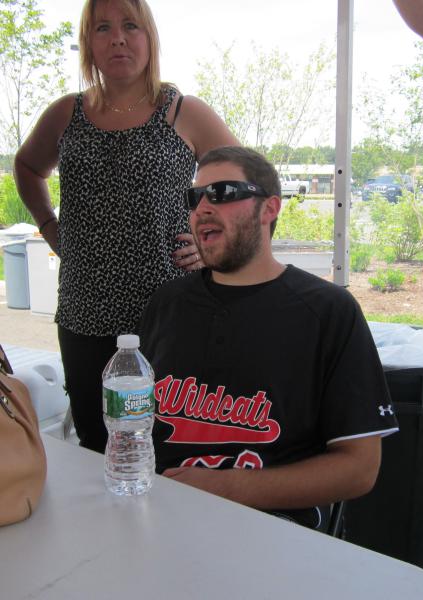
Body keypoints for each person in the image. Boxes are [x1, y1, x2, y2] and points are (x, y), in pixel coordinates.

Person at [13, 0, 238, 453]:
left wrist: (212, 244)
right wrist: (47, 223)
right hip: (85, 312)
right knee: (98, 443)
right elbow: (28, 166)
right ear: (88, 44)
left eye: (130, 25)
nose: (117, 37)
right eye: (103, 28)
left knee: (173, 443)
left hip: (170, 313)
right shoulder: (66, 114)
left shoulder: (183, 112)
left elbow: (244, 180)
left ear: (150, 39)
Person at [137, 146, 398, 531]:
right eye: (195, 197)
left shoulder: (328, 311)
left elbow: (359, 468)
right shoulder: (166, 303)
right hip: (159, 518)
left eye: (223, 193)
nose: (203, 207)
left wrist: (226, 487)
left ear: (269, 208)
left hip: (277, 531)